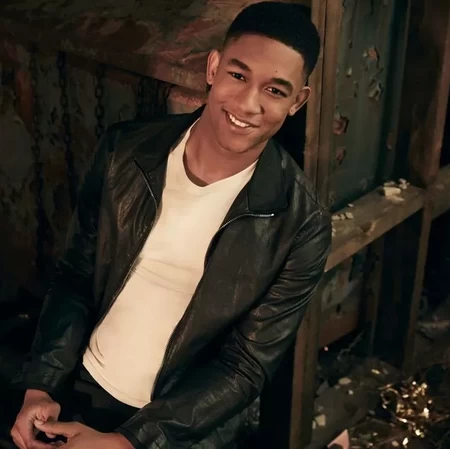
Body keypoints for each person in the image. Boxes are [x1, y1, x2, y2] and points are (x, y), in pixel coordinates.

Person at [9, 2, 331, 448]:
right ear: (213, 68)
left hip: (174, 429)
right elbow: (76, 277)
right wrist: (41, 387)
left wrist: (129, 442)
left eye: (275, 90)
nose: (248, 104)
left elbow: (246, 365)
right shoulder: (125, 150)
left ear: (298, 101)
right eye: (238, 75)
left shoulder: (302, 223)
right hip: (76, 388)